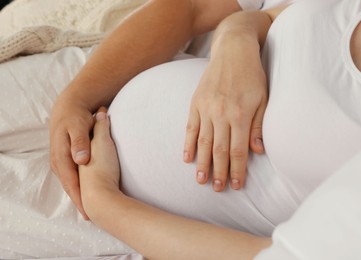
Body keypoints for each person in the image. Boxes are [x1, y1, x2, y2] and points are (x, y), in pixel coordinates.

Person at [79, 0, 361, 259]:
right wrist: (235, 36)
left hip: (118, 221)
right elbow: (264, 17)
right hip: (101, 112)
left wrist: (104, 203)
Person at [49, 0, 268, 220]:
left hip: (127, 214)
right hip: (114, 77)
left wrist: (104, 202)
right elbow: (190, 7)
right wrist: (75, 99)